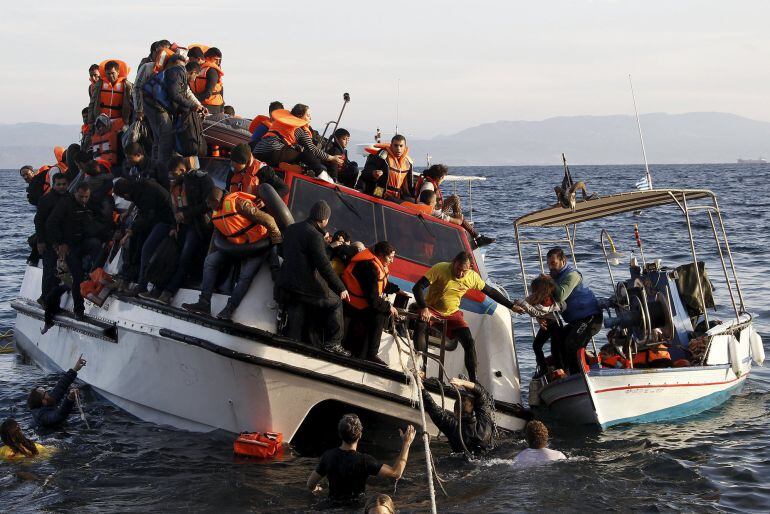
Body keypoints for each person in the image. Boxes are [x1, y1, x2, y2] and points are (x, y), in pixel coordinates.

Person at [412, 252, 515, 382]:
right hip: (432, 309)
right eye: (458, 269)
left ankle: (474, 380)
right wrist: (423, 308)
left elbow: (490, 291)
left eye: (464, 271)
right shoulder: (440, 268)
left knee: (469, 342)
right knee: (421, 324)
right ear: (453, 262)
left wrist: (511, 306)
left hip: (452, 314)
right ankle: (420, 368)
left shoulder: (472, 277)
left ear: (470, 268)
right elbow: (418, 287)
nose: (460, 274)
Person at [182, 188, 281, 320]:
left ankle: (230, 308)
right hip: (236, 246)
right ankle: (204, 303)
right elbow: (216, 238)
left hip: (258, 245)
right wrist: (210, 253)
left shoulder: (239, 204)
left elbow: (268, 220)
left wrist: (276, 243)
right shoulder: (217, 212)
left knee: (245, 276)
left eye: (209, 203)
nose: (208, 206)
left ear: (216, 200)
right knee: (210, 261)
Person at [278, 200, 352, 356]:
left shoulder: (292, 229)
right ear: (324, 219)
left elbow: (284, 251)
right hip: (303, 285)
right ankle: (334, 343)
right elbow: (324, 265)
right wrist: (341, 288)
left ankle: (291, 345)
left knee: (297, 307)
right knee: (336, 302)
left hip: (285, 282)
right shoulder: (314, 235)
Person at [143, 157, 214, 304]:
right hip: (181, 227)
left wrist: (186, 214)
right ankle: (158, 288)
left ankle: (168, 292)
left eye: (174, 173)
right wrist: (174, 226)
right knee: (170, 257)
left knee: (184, 259)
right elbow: (175, 207)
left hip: (195, 227)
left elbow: (208, 204)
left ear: (182, 170)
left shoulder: (200, 180)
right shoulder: (175, 185)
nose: (171, 177)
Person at [307, 414, 416, 503]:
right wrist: (406, 443)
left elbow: (310, 484)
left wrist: (316, 489)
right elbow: (396, 473)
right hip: (357, 506)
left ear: (340, 434)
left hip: (331, 505)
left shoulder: (328, 456)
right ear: (360, 435)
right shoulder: (365, 461)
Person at [46, 183, 104, 319]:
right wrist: (60, 243)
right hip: (68, 246)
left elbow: (100, 219)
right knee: (76, 278)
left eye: (86, 197)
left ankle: (95, 271)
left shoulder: (88, 204)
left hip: (82, 241)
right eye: (81, 197)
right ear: (75, 193)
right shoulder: (65, 204)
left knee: (96, 245)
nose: (84, 200)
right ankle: (79, 310)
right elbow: (51, 223)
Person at [113, 177, 175, 296]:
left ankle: (142, 285)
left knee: (146, 249)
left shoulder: (144, 193)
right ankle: (129, 277)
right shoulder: (138, 188)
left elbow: (148, 215)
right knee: (137, 244)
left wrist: (132, 229)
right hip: (157, 218)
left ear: (126, 194)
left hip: (166, 220)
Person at [341, 241, 400, 365]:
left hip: (361, 302)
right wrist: (389, 307)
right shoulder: (368, 266)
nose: (392, 261)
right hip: (352, 304)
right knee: (380, 313)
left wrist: (397, 290)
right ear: (380, 255)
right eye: (390, 257)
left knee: (380, 310)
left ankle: (366, 353)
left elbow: (380, 283)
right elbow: (373, 299)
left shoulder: (374, 264)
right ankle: (370, 354)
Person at [546, 247, 602, 374]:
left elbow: (561, 295)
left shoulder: (572, 275)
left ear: (563, 261)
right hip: (575, 321)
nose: (550, 267)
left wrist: (550, 281)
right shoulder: (555, 278)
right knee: (558, 340)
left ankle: (578, 375)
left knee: (572, 343)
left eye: (553, 263)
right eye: (548, 264)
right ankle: (563, 372)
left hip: (591, 317)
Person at [414, 164, 495, 247]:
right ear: (439, 177)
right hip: (433, 214)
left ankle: (471, 232)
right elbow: (425, 206)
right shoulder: (428, 186)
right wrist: (450, 218)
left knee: (455, 198)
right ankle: (477, 236)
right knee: (459, 217)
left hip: (435, 208)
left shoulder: (430, 183)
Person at [253, 105, 343, 176]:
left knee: (297, 150)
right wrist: (332, 158)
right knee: (306, 154)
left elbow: (284, 141)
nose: (310, 117)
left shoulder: (280, 122)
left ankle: (284, 166)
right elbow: (313, 149)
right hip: (272, 153)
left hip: (258, 152)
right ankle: (320, 173)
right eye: (307, 115)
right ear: (300, 116)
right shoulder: (298, 130)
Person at [420, 377, 495, 454]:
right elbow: (482, 393)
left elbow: (433, 408)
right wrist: (462, 382)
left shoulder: (453, 427)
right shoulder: (485, 420)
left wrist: (421, 387)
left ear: (456, 413)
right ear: (474, 410)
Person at [512, 275, 565, 376]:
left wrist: (524, 305)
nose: (533, 292)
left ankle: (560, 369)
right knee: (537, 345)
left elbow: (537, 312)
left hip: (555, 324)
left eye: (535, 289)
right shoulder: (535, 297)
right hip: (547, 323)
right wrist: (516, 305)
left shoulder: (549, 299)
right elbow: (528, 305)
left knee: (555, 348)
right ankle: (543, 368)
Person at [87, 60, 133, 166]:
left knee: (119, 148)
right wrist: (90, 121)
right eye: (108, 73)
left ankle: (120, 168)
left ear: (118, 72)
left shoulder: (127, 85)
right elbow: (92, 104)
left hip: (120, 123)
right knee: (102, 150)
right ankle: (103, 167)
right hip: (101, 123)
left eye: (113, 73)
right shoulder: (99, 85)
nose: (110, 76)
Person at [34, 173, 70, 303]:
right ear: (53, 185)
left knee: (61, 271)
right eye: (58, 184)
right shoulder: (46, 200)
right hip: (49, 242)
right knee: (49, 271)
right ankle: (44, 297)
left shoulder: (70, 198)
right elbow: (39, 221)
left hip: (64, 241)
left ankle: (54, 299)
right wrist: (40, 241)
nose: (61, 187)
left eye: (64, 184)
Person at [165, 55, 207, 160]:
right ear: (192, 72)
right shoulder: (178, 74)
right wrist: (192, 106)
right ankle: (164, 165)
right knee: (163, 137)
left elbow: (188, 93)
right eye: (196, 76)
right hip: (159, 108)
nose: (194, 79)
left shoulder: (182, 76)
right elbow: (174, 95)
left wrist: (199, 106)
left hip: (169, 110)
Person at [27, 355, 87, 428]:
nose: (47, 392)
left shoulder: (48, 401)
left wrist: (75, 369)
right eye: (45, 392)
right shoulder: (43, 417)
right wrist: (70, 398)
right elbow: (59, 415)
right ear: (43, 401)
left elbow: (61, 386)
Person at [358, 134, 414, 200]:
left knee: (412, 202)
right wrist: (373, 173)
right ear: (391, 146)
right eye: (395, 145)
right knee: (381, 198)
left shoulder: (408, 162)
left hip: (398, 195)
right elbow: (365, 173)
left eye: (401, 146)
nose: (398, 148)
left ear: (405, 147)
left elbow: (409, 187)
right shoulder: (382, 157)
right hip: (379, 191)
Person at [191, 47, 224, 114]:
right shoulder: (196, 69)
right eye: (215, 59)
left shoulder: (211, 71)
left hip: (213, 105)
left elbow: (208, 93)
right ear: (208, 58)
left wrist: (191, 99)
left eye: (219, 60)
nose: (218, 62)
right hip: (200, 102)